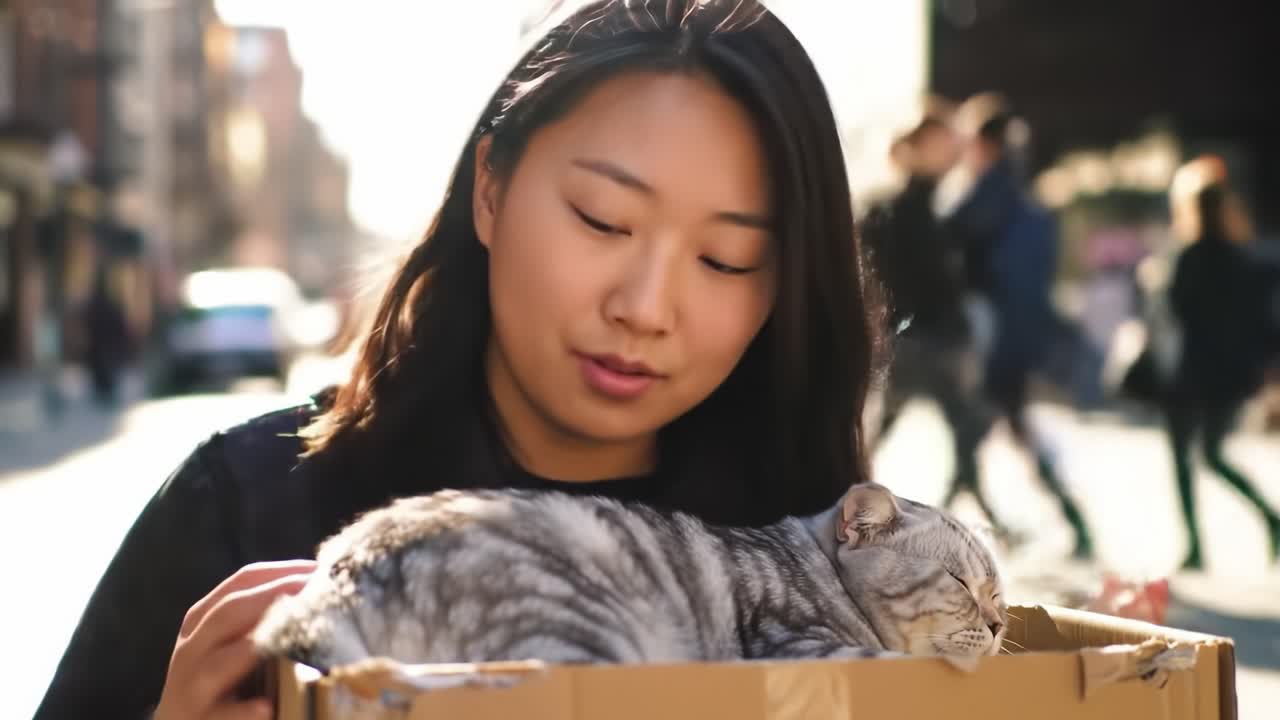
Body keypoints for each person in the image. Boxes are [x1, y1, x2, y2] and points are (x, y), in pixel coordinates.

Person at [34, 2, 882, 718]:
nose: (646, 308)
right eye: (601, 219)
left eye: (726, 260)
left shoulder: (825, 561)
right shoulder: (253, 511)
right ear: (490, 189)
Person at [945, 93, 1094, 559]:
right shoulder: (1022, 195)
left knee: (973, 435)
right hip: (1013, 334)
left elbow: (949, 237)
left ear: (982, 143)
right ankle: (1070, 522)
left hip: (990, 337)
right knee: (1002, 431)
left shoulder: (987, 192)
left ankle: (943, 529)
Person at [864, 110, 996, 531]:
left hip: (925, 338)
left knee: (961, 426)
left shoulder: (934, 207)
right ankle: (971, 509)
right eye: (941, 144)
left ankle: (971, 506)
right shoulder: (899, 209)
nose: (951, 154)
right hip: (920, 340)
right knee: (958, 425)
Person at [1164, 175, 1280, 570]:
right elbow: (1264, 324)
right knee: (1212, 455)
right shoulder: (1243, 260)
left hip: (1191, 370)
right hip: (1230, 373)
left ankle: (1195, 544)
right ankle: (1269, 517)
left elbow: (1177, 309)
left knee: (1183, 456)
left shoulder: (1190, 256)